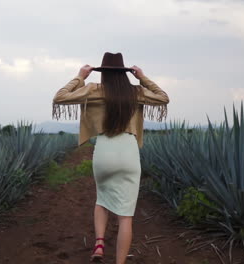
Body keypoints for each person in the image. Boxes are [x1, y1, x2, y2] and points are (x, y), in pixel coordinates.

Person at [52, 52, 169, 264]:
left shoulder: (93, 89)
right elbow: (163, 98)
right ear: (124, 73)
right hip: (129, 151)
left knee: (102, 200)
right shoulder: (136, 92)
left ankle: (99, 244)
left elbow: (59, 97)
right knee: (126, 216)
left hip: (104, 149)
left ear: (102, 73)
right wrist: (142, 77)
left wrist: (80, 76)